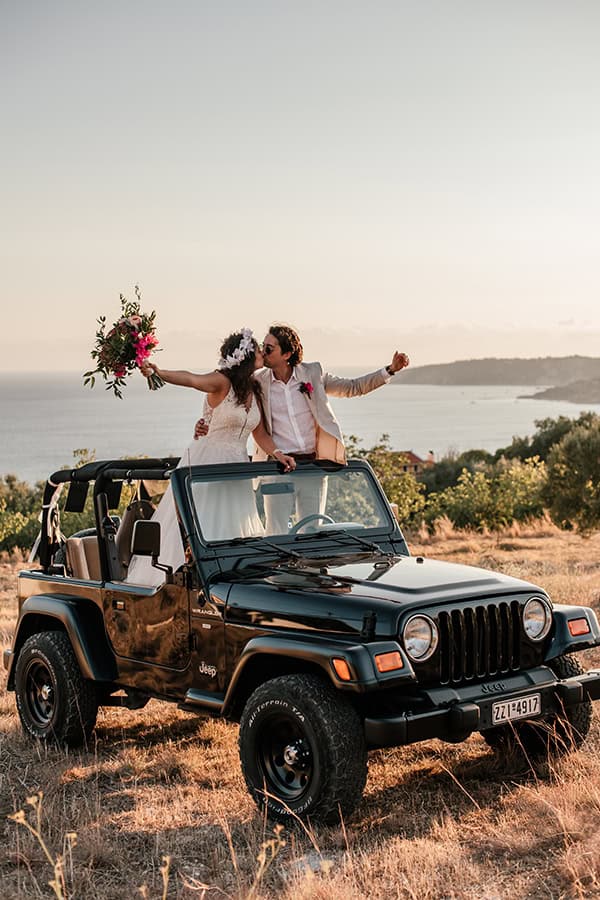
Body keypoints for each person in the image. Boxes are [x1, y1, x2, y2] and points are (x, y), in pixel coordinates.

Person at [195, 324, 410, 533]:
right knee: (276, 532)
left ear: (286, 353)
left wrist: (389, 370)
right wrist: (207, 424)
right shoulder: (257, 381)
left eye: (269, 348)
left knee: (313, 531)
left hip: (313, 468)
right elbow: (230, 399)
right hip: (277, 469)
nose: (262, 352)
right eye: (263, 346)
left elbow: (352, 387)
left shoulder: (313, 373)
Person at [125, 328, 296, 586]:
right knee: (205, 522)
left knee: (234, 525)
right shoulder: (222, 382)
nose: (263, 352)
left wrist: (278, 453)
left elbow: (259, 433)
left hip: (237, 469)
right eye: (259, 349)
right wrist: (159, 372)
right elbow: (192, 379)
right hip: (209, 462)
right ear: (246, 356)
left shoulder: (255, 388)